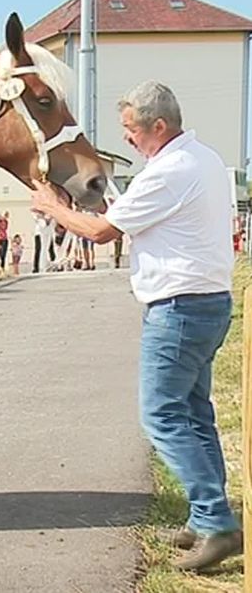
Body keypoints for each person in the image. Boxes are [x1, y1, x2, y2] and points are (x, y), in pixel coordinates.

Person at [30, 80, 241, 571]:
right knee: (192, 412)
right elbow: (126, 217)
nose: (125, 139)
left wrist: (52, 208)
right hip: (208, 302)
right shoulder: (203, 159)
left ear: (158, 127)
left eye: (130, 130)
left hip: (179, 308)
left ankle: (215, 521)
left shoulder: (167, 172)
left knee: (162, 416)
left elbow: (102, 233)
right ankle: (206, 512)